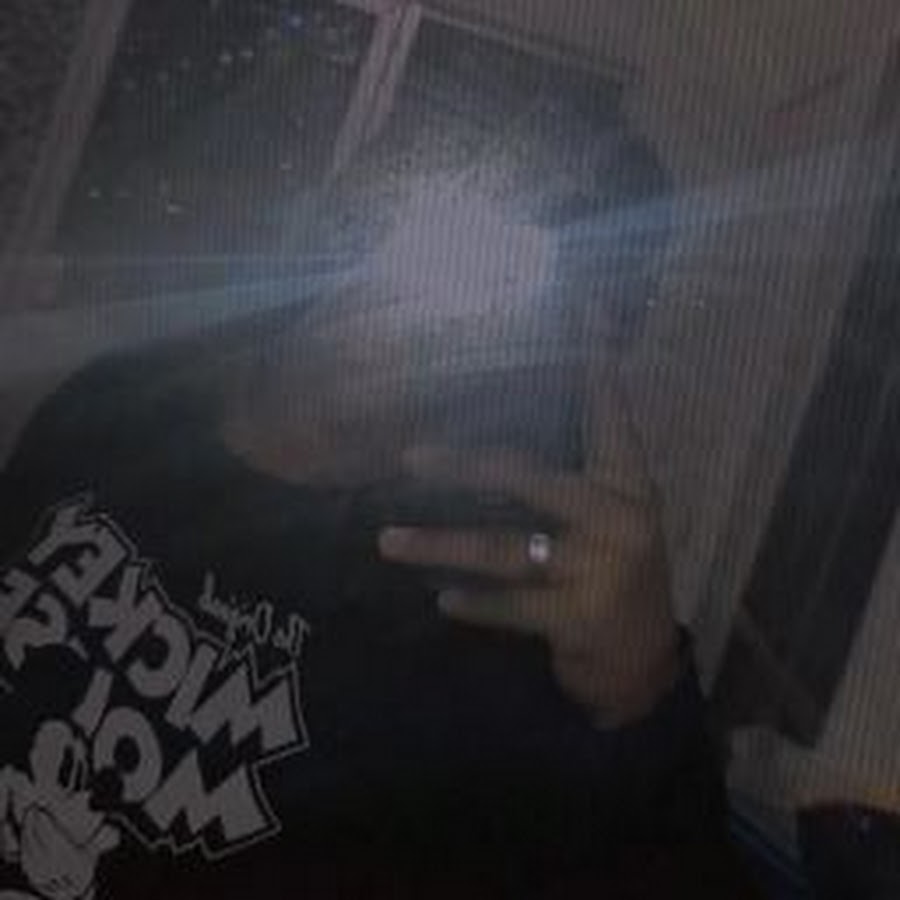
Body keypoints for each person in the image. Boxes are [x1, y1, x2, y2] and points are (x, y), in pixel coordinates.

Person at [0, 127, 759, 898]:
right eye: (438, 233)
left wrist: (641, 704)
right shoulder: (122, 403)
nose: (423, 296)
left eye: (499, 281)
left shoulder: (477, 628)